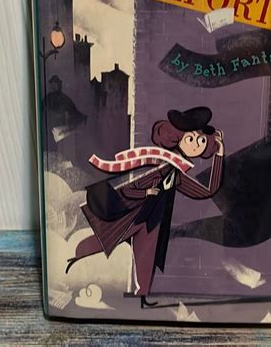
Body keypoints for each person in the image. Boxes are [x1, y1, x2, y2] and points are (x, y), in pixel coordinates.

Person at [66, 107, 225, 308]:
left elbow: (206, 191)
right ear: (177, 138)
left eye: (201, 141)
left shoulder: (177, 173)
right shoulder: (160, 162)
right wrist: (146, 193)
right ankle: (72, 259)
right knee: (104, 241)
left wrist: (219, 156)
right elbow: (128, 188)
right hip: (132, 213)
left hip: (152, 220)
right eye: (191, 139)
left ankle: (142, 297)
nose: (196, 145)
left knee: (146, 259)